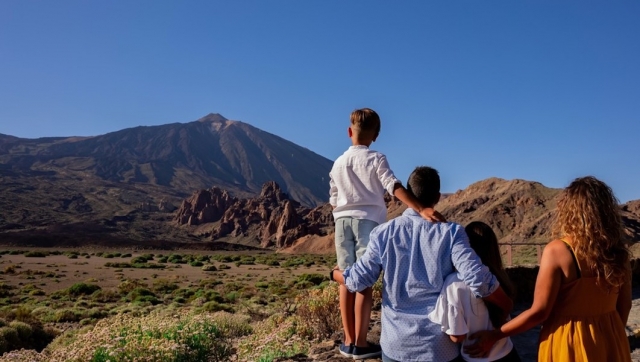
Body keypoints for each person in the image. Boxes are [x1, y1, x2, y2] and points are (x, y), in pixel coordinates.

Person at [331, 166, 513, 362]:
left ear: (408, 196)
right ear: (437, 197)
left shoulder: (383, 233)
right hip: (438, 349)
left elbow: (358, 280)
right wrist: (507, 304)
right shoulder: (451, 232)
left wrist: (334, 274)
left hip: (396, 345)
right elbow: (476, 277)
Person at [465, 176, 632, 362]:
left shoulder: (559, 251)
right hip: (611, 338)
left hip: (569, 341)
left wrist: (495, 336)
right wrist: (611, 332)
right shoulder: (618, 253)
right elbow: (624, 304)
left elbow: (540, 312)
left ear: (569, 211)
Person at [329, 108, 444, 359]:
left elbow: (334, 199)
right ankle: (360, 342)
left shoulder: (338, 163)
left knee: (347, 278)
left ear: (349, 132)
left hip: (341, 222)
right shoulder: (375, 158)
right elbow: (393, 186)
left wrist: (345, 210)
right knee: (364, 280)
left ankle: (347, 340)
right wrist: (420, 208)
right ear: (376, 135)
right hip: (367, 221)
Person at [428, 221, 521, 362]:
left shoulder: (454, 283)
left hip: (475, 357)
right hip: (508, 353)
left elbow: (456, 336)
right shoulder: (500, 277)